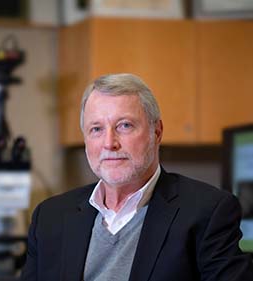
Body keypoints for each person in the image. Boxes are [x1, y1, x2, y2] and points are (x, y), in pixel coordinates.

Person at [20, 73, 253, 281]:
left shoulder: (208, 212)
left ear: (157, 132)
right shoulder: (49, 217)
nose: (109, 143)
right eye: (96, 129)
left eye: (125, 125)